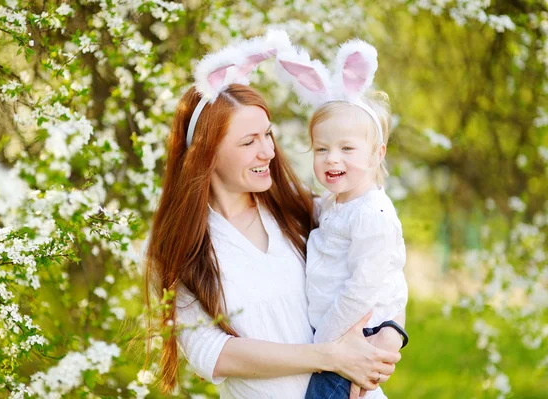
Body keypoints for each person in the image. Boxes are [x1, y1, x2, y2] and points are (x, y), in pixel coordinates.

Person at [144, 31, 404, 399]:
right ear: (206, 154)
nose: (267, 151)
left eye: (268, 135)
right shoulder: (178, 247)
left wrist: (390, 334)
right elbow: (212, 353)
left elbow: (381, 267)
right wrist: (330, 357)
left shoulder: (303, 211)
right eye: (248, 142)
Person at [277, 39, 408, 399]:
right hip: (337, 340)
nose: (332, 159)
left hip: (351, 338)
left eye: (347, 149)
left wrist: (322, 346)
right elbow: (313, 208)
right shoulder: (338, 204)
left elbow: (362, 288)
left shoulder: (373, 214)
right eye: (322, 149)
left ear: (376, 154)